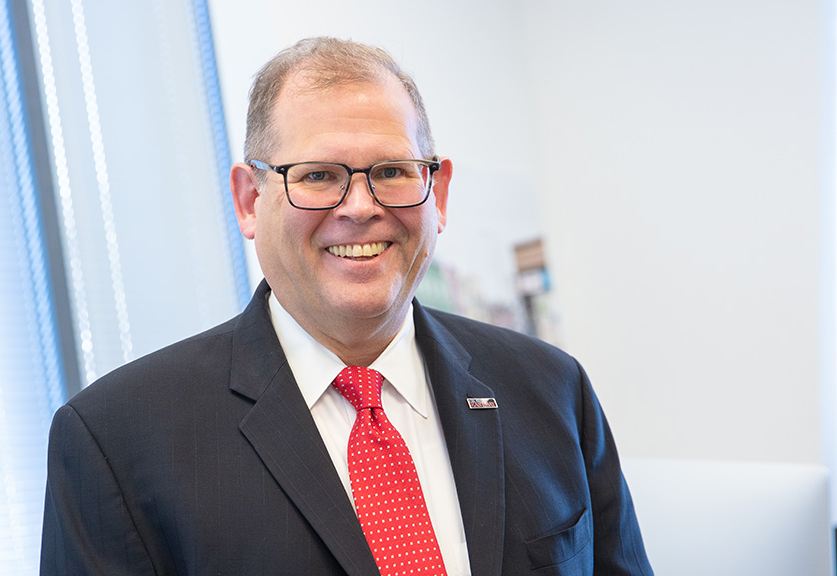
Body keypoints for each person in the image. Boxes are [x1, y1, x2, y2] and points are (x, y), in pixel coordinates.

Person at [40, 37, 653, 576]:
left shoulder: (550, 389)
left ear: (436, 193)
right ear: (251, 200)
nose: (360, 206)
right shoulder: (118, 440)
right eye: (317, 176)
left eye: (390, 170)